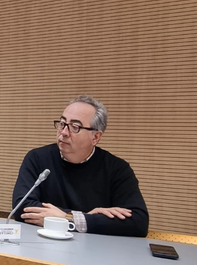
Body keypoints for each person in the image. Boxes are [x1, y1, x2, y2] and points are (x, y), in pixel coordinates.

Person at [12, 95, 148, 237]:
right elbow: (22, 208)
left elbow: (138, 222)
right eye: (62, 123)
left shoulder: (117, 169)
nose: (63, 132)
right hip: (42, 244)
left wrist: (69, 219)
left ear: (95, 137)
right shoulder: (37, 158)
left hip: (94, 250)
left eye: (75, 127)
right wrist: (84, 219)